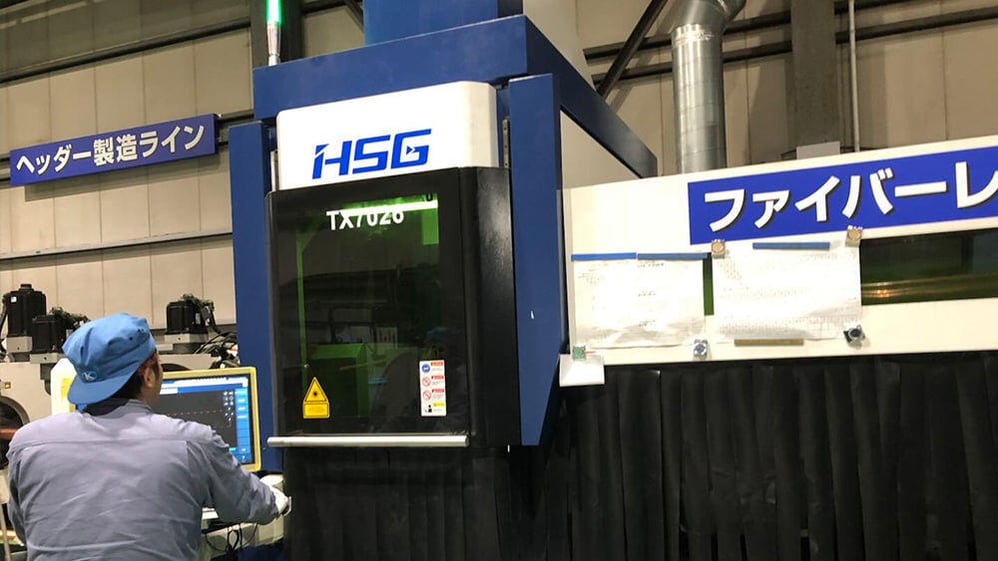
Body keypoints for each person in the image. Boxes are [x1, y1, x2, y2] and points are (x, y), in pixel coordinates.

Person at [6, 313, 288, 560]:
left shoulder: (26, 445)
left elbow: (25, 529)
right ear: (149, 374)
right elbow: (254, 506)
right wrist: (278, 497)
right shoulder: (193, 442)